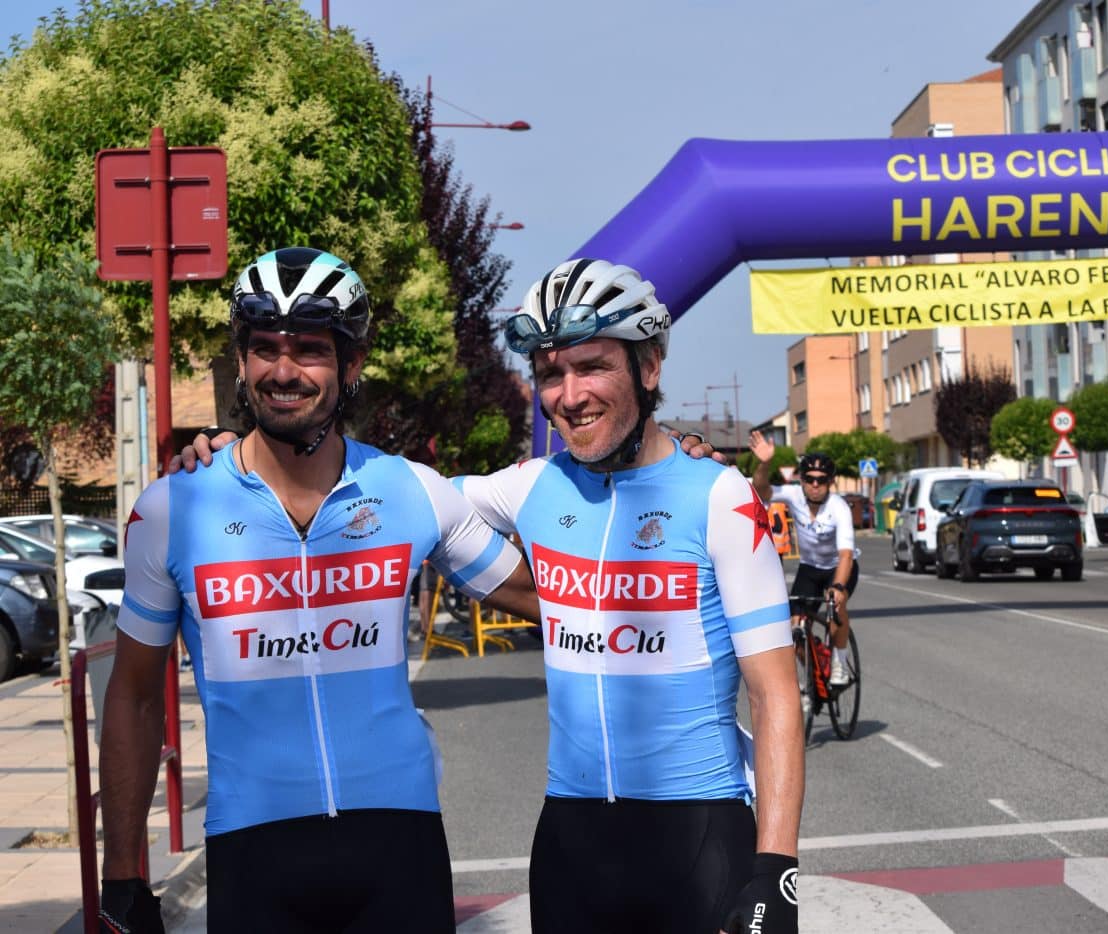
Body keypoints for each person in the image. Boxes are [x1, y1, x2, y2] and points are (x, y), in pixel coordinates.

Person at [99, 248, 539, 934]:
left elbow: (550, 594)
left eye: (309, 349)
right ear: (241, 363)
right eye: (265, 348)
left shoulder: (410, 490)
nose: (283, 370)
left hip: (398, 841)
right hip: (253, 847)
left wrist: (652, 464)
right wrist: (122, 875)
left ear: (351, 365)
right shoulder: (172, 509)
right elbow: (130, 694)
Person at [459, 258, 804, 934]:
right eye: (550, 375)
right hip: (570, 842)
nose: (568, 394)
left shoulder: (718, 493)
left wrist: (776, 871)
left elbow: (775, 696)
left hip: (700, 839)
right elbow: (399, 502)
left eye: (592, 367)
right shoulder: (529, 486)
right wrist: (234, 456)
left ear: (649, 367)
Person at [747, 434, 859, 687]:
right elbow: (761, 490)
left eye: (821, 480)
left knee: (836, 606)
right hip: (810, 568)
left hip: (838, 569)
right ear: (802, 480)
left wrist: (839, 587)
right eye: (809, 479)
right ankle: (814, 673)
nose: (815, 485)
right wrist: (764, 464)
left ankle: (840, 662)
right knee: (793, 629)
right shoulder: (793, 495)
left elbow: (846, 555)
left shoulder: (838, 507)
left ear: (830, 482)